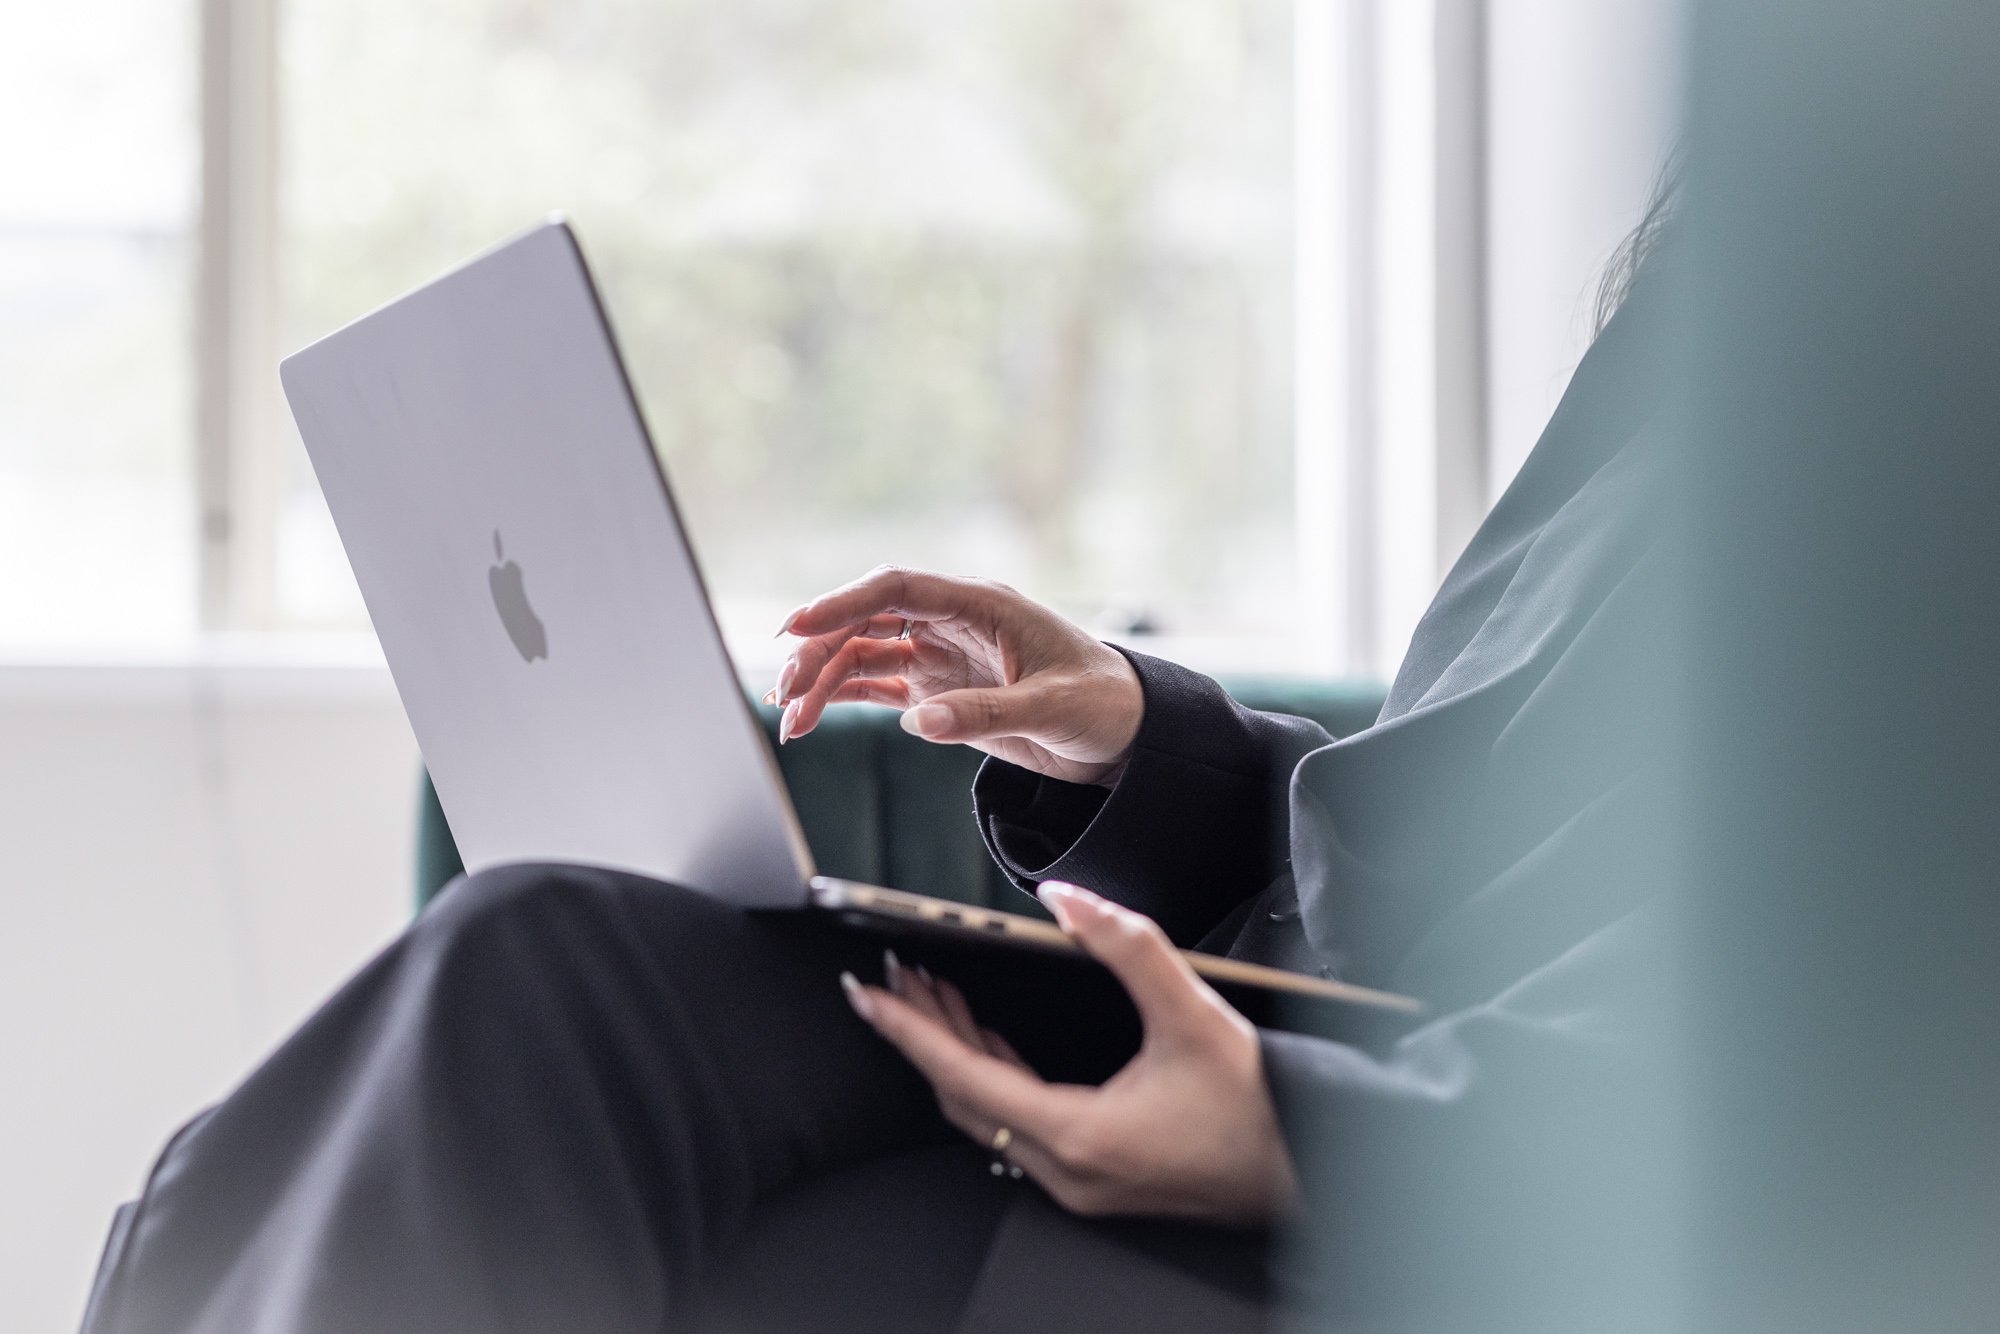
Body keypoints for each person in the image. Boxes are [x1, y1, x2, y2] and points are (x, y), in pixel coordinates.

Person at [80, 184, 1684, 1333]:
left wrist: (1306, 1133)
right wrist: (1143, 738)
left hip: (1445, 1173)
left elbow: (1860, 1052)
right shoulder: (1710, 309)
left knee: (535, 1005)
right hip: (1312, 1043)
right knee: (484, 997)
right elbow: (1483, 823)